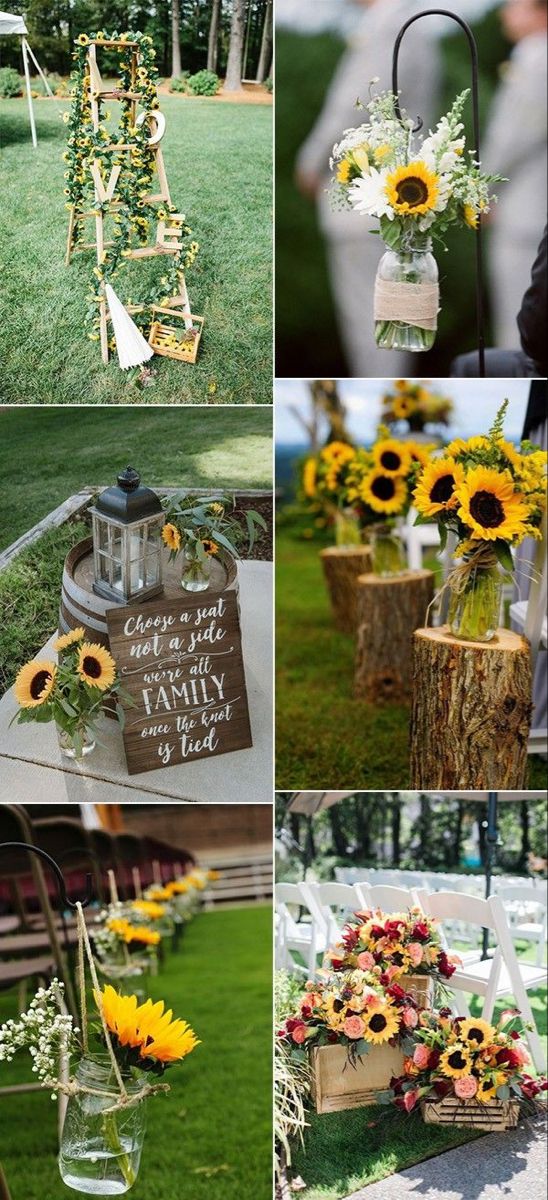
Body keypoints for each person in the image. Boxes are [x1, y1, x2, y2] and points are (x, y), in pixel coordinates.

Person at [294, 0, 440, 377]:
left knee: (372, 323)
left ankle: (383, 407)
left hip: (371, 194)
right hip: (408, 191)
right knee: (398, 320)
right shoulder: (419, 26)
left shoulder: (387, 25)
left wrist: (311, 161)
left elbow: (354, 104)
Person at [482, 0, 547, 350]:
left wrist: (482, 187)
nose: (504, 12)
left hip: (524, 210)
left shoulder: (536, 56)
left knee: (517, 327)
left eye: (514, 4)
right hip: (529, 209)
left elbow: (517, 134)